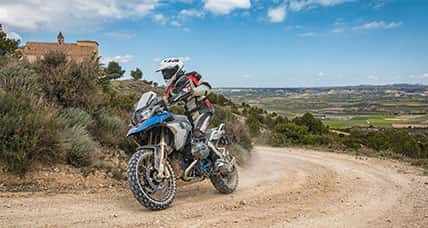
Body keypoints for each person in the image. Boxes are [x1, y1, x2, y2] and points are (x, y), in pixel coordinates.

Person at [156, 57, 214, 156]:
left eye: (167, 72)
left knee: (197, 136)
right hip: (188, 118)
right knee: (184, 144)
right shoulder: (169, 89)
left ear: (176, 69)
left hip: (203, 111)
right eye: (163, 72)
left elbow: (207, 87)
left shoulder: (191, 76)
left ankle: (217, 161)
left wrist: (194, 91)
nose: (165, 75)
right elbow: (164, 102)